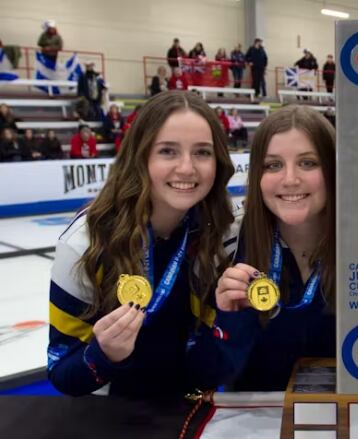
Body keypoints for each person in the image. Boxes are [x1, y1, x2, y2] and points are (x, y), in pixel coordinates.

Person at [47, 90, 246, 397]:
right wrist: (103, 355)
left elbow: (213, 370)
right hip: (112, 419)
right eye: (168, 151)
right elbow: (62, 373)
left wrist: (231, 320)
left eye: (202, 152)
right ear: (141, 156)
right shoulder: (86, 242)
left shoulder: (224, 230)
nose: (186, 168)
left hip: (191, 411)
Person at [213, 105, 336, 390]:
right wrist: (229, 322)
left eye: (308, 163)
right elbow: (211, 373)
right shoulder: (226, 248)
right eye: (273, 165)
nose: (290, 179)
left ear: (332, 169)